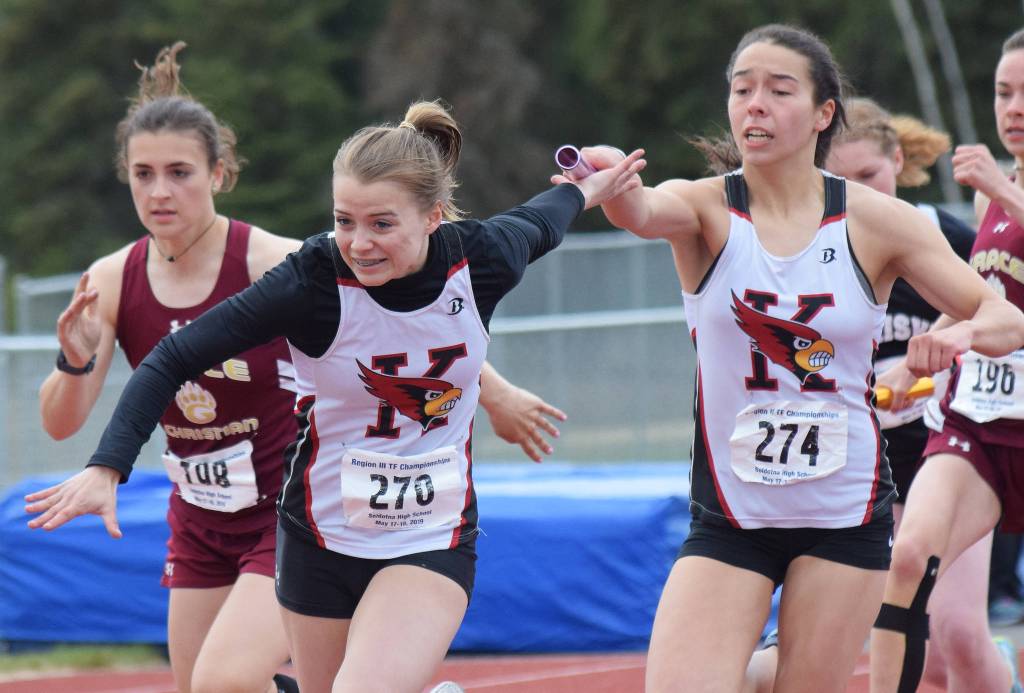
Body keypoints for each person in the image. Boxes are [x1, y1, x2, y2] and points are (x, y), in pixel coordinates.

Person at [26, 98, 645, 692]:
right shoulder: (313, 280)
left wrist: (594, 181)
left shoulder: (482, 259)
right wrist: (108, 466)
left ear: (433, 217)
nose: (360, 243)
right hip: (317, 537)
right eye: (344, 221)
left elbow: (547, 216)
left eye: (382, 224)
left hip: (429, 534)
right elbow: (173, 357)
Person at [574, 23, 1024, 693]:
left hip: (843, 517)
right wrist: (609, 180)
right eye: (741, 88)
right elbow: (641, 210)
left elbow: (1005, 317)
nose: (755, 103)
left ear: (822, 115)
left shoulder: (874, 221)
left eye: (778, 90)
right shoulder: (705, 208)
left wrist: (949, 339)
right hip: (734, 516)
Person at [746, 96, 983, 692]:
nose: (862, 196)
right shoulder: (813, 253)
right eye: (842, 182)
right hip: (853, 475)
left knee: (958, 640)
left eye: (872, 178)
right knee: (907, 653)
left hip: (946, 457)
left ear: (898, 162)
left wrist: (940, 357)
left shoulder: (946, 241)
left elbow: (1002, 322)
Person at [870, 27, 1024, 693]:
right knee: (907, 558)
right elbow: (974, 301)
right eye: (1003, 92)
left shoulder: (999, 189)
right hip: (982, 418)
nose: (1013, 108)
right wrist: (914, 362)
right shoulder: (993, 192)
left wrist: (1008, 192)